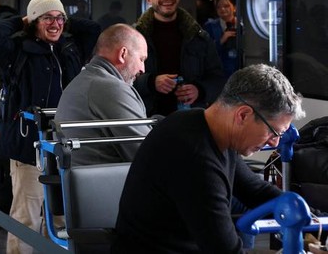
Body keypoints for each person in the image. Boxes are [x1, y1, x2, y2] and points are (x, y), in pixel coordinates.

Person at [112, 64, 305, 253]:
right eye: (273, 132)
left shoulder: (208, 129)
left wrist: (310, 218)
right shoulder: (194, 157)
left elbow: (256, 191)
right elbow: (225, 249)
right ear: (243, 115)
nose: (274, 143)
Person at [0, 0, 98, 254]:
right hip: (29, 145)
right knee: (27, 215)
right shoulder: (17, 51)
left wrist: (62, 19)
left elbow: (92, 28)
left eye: (59, 18)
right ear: (34, 21)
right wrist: (23, 20)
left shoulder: (69, 49)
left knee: (61, 215)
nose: (55, 24)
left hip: (64, 144)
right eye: (47, 18)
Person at [55, 24, 151, 166]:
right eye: (141, 59)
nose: (143, 69)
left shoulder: (85, 80)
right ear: (123, 54)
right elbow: (147, 154)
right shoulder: (111, 89)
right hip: (110, 184)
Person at [134, 0, 225, 116]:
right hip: (147, 119)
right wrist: (151, 82)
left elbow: (218, 78)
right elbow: (121, 80)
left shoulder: (199, 36)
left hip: (190, 119)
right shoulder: (134, 37)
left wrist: (199, 90)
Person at [204, 0, 241, 77]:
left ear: (234, 8)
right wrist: (221, 40)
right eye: (219, 7)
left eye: (226, 6)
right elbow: (205, 50)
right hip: (219, 72)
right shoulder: (209, 26)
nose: (222, 9)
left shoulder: (242, 24)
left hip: (240, 69)